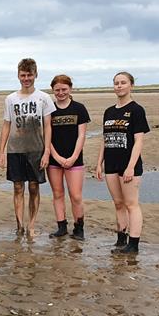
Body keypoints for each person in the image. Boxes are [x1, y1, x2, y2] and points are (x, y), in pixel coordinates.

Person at [0, 58, 54, 238]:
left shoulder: (43, 98)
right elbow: (7, 124)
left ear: (35, 75)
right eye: (23, 75)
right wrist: (1, 151)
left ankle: (31, 225)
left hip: (36, 150)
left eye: (29, 75)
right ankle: (19, 225)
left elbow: (47, 126)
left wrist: (47, 152)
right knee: (18, 187)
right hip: (15, 149)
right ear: (18, 75)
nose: (26, 78)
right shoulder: (10, 99)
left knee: (34, 188)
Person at [96, 71, 149, 254]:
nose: (119, 86)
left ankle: (133, 244)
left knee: (131, 204)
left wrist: (131, 167)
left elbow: (139, 141)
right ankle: (121, 239)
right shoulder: (109, 112)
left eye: (123, 82)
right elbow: (105, 139)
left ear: (131, 85)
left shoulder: (136, 110)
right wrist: (99, 163)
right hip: (111, 164)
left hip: (129, 165)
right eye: (116, 83)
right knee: (118, 203)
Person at [48, 74, 90, 240]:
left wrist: (73, 157)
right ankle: (61, 226)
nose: (60, 93)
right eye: (57, 90)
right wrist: (56, 157)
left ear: (70, 89)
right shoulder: (49, 109)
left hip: (75, 160)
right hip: (54, 160)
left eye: (64, 89)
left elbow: (81, 136)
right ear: (53, 90)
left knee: (76, 195)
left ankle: (79, 228)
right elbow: (47, 137)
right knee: (58, 194)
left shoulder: (79, 108)